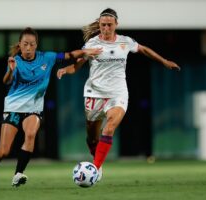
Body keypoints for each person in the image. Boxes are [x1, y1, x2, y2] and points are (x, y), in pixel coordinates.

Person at [57, 8, 180, 181]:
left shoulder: (125, 42)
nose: (106, 28)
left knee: (109, 128)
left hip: (118, 93)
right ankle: (95, 158)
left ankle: (95, 169)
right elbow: (76, 66)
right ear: (99, 25)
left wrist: (164, 61)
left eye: (109, 25)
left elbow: (144, 50)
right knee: (92, 137)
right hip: (94, 93)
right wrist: (65, 70)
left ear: (116, 24)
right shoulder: (92, 44)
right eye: (103, 25)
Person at [0, 27, 102, 191]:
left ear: (36, 45)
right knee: (3, 151)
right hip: (14, 108)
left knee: (30, 134)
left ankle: (18, 174)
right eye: (25, 44)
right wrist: (10, 70)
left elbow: (70, 55)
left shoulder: (47, 58)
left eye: (31, 44)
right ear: (20, 45)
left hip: (34, 109)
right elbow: (6, 81)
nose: (28, 48)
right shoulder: (15, 61)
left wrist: (87, 52)